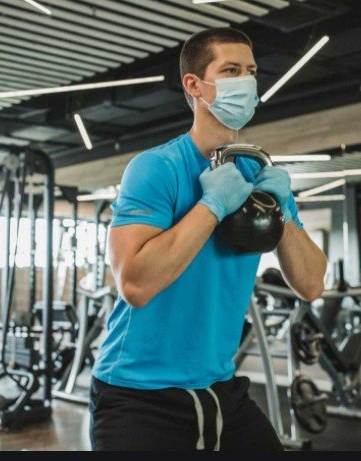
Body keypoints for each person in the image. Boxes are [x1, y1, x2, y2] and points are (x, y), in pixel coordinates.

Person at [89, 28, 327, 451]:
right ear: (194, 85)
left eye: (251, 72)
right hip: (138, 396)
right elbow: (136, 285)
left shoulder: (258, 177)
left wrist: (284, 209)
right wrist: (212, 205)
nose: (246, 81)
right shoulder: (156, 168)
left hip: (220, 387)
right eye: (231, 70)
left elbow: (311, 283)